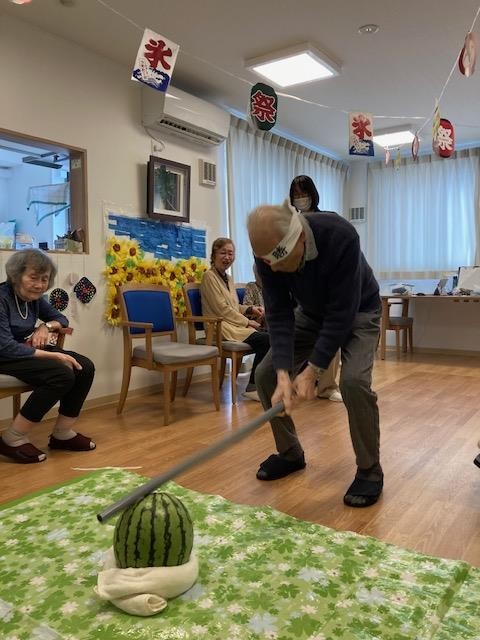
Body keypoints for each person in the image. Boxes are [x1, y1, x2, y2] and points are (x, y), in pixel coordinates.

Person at [247, 200, 383, 507]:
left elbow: (342, 313)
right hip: (310, 313)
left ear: (299, 238)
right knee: (267, 375)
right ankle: (290, 454)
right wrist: (284, 374)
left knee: (354, 383)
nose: (274, 270)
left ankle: (370, 470)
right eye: (268, 264)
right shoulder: (268, 253)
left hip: (359, 310)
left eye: (279, 261)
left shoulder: (340, 236)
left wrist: (313, 370)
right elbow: (279, 313)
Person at [0, 249, 95, 463]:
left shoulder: (33, 299)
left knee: (84, 366)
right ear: (16, 276)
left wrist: (45, 326)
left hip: (21, 351)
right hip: (4, 355)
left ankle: (62, 434)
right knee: (61, 373)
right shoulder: (2, 298)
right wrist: (54, 357)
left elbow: (61, 319)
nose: (40, 285)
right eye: (33, 277)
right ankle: (12, 438)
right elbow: (5, 347)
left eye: (44, 279)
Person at [290, 174, 342, 403]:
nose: (300, 198)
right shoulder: (291, 223)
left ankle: (327, 386)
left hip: (326, 288)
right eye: (296, 195)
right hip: (300, 288)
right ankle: (296, 382)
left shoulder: (327, 219)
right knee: (299, 339)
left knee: (332, 338)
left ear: (313, 195)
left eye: (304, 193)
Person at [201, 238, 270, 402]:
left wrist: (250, 309)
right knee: (267, 340)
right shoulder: (209, 277)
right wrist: (248, 322)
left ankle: (262, 385)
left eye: (230, 253)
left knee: (271, 337)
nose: (227, 257)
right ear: (214, 255)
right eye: (223, 253)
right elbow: (222, 309)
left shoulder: (228, 278)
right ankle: (253, 387)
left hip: (233, 326)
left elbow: (232, 306)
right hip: (219, 327)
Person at [243, 264, 266, 329]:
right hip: (258, 319)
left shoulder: (273, 288)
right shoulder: (251, 286)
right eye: (257, 272)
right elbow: (247, 307)